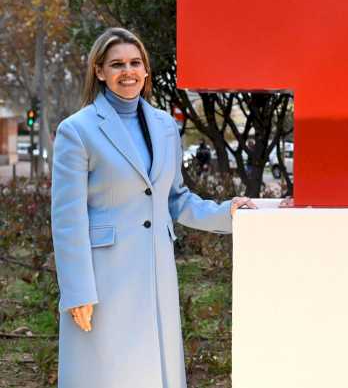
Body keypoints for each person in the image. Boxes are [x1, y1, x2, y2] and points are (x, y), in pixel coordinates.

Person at [51, 27, 255, 388]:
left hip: (157, 272)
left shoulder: (164, 126)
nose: (127, 71)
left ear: (146, 70)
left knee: (151, 371)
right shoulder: (76, 130)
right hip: (104, 278)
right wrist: (77, 289)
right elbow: (68, 218)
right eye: (116, 64)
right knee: (108, 373)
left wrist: (228, 212)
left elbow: (174, 198)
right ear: (99, 71)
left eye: (135, 62)